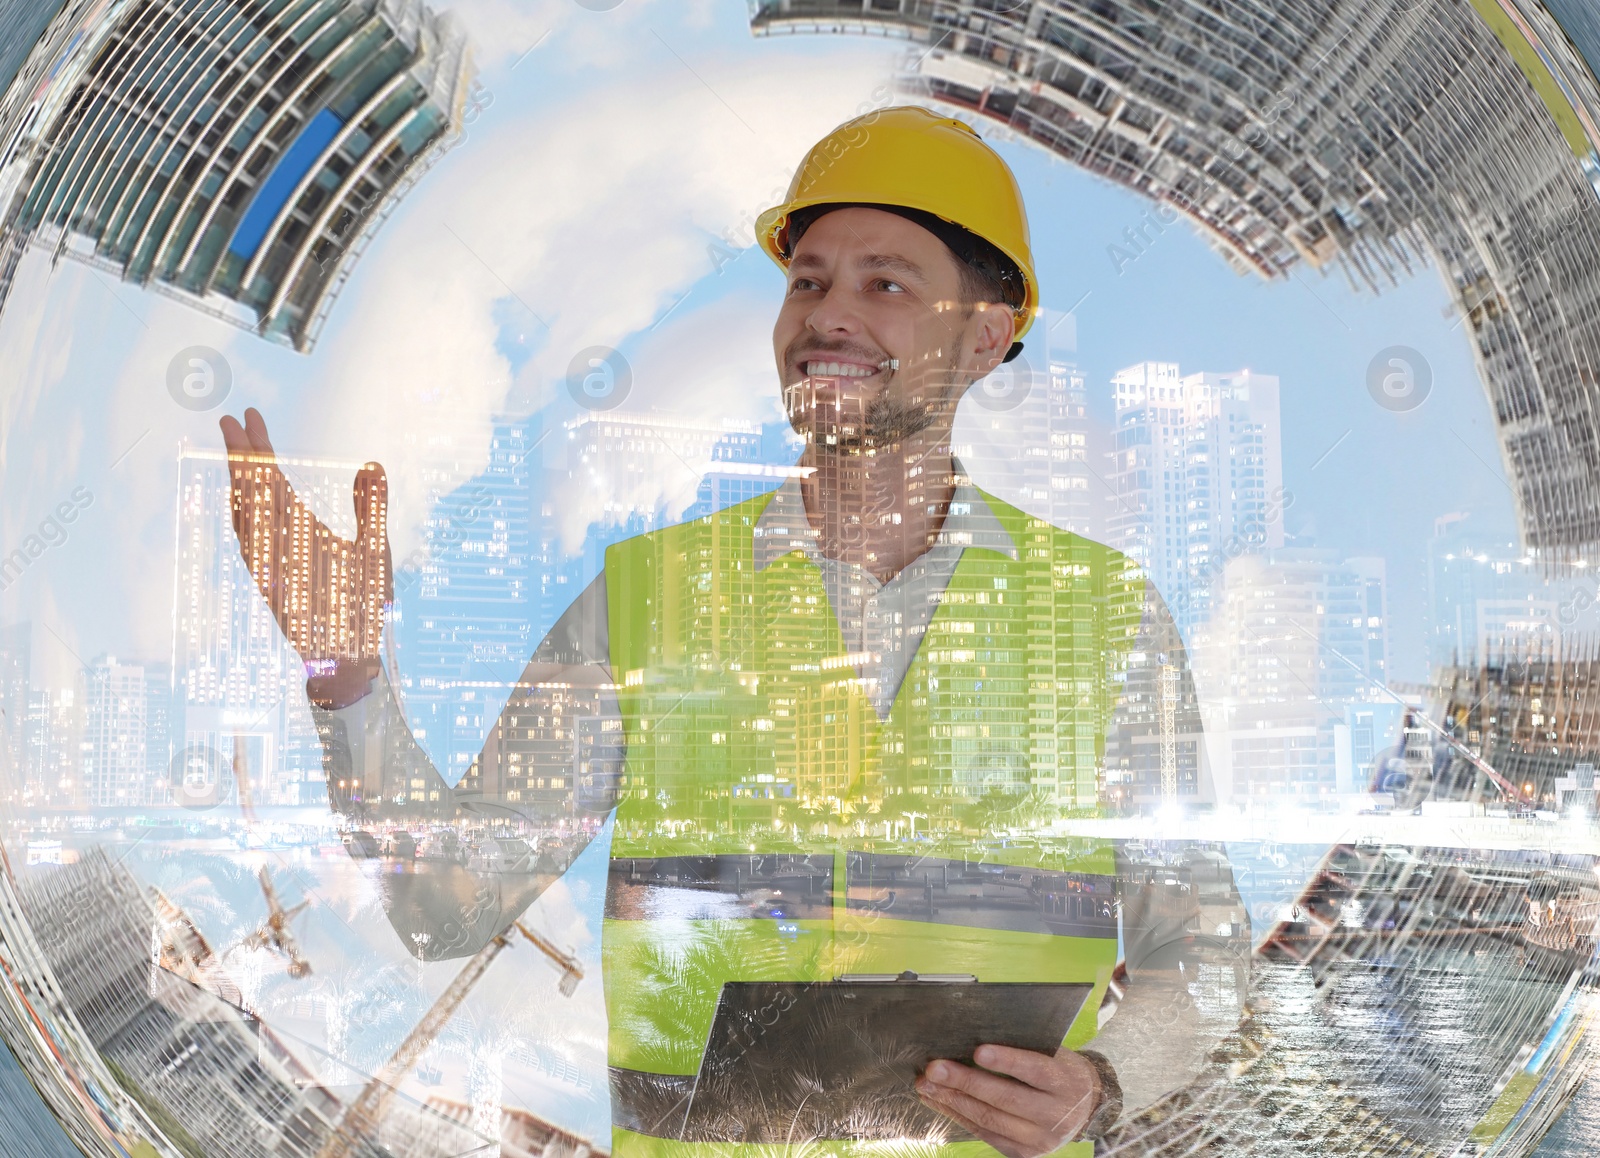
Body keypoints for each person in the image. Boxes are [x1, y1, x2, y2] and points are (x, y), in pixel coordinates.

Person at [222, 106, 1225, 1157]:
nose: (827, 315)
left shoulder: (1109, 618)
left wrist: (1104, 1085)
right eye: (808, 281)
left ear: (984, 334)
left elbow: (1195, 955)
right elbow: (446, 907)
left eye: (883, 282)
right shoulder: (644, 598)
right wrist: (344, 671)